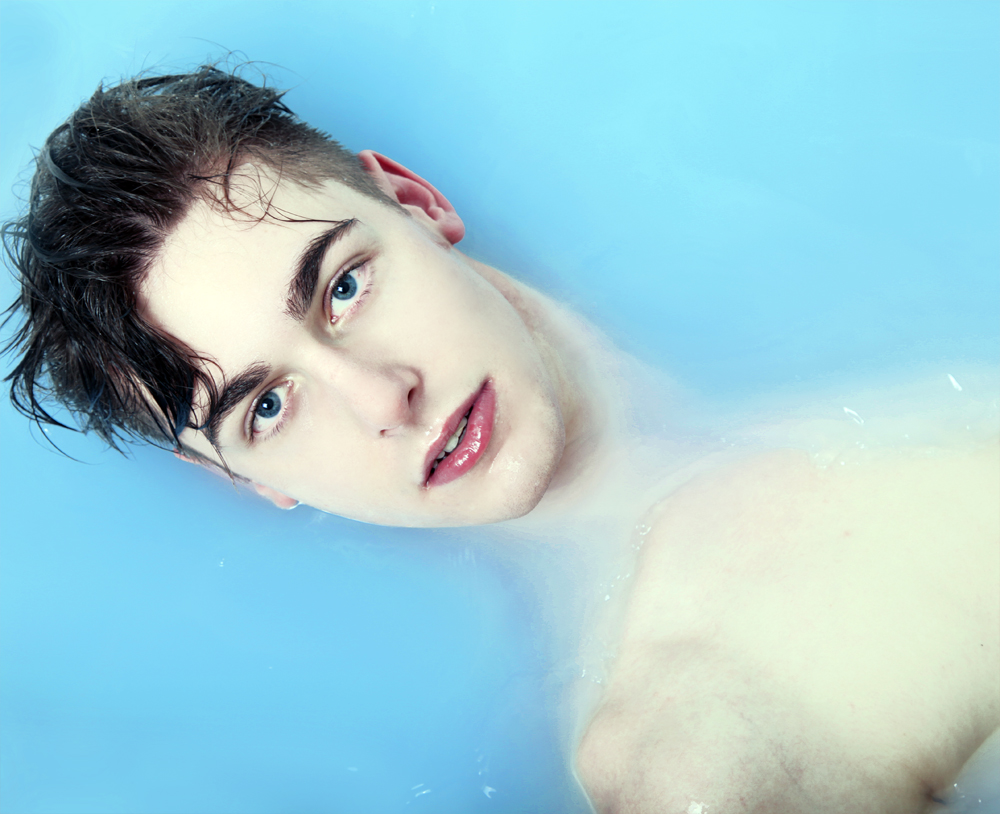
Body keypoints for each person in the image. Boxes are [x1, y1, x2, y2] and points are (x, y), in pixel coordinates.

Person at [4, 66, 997, 813]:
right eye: (266, 407)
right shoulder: (698, 750)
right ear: (244, 482)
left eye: (343, 286)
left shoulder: (876, 408)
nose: (381, 396)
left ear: (415, 201)